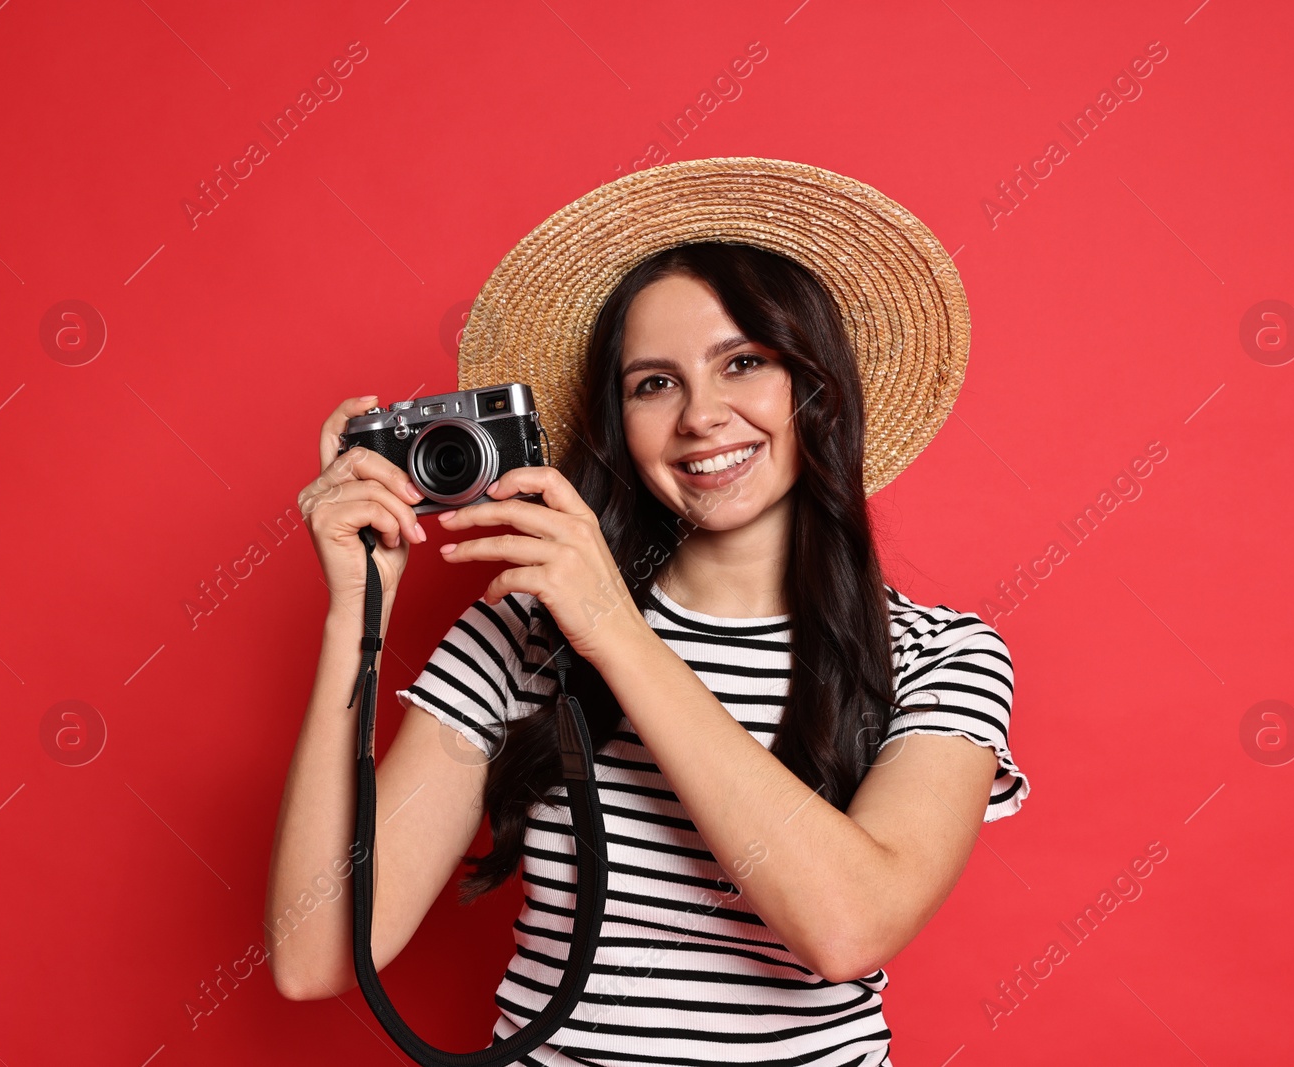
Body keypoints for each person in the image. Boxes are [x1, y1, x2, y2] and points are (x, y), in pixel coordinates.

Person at [265, 159, 1029, 1067]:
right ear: (617, 423)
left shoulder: (941, 656)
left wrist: (616, 632)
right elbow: (314, 956)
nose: (703, 416)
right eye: (653, 383)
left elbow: (850, 927)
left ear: (816, 389)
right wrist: (354, 614)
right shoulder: (522, 630)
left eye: (743, 362)